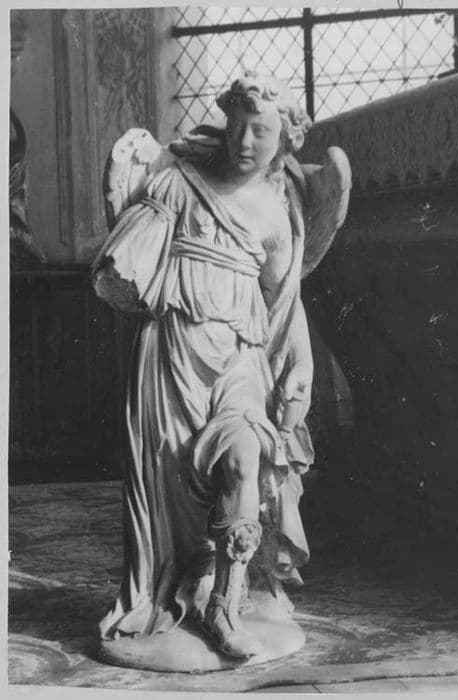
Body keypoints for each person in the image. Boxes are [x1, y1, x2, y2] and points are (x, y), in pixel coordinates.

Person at [92, 73, 351, 660]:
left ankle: (225, 608)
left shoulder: (278, 213)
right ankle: (175, 590)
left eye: (260, 131)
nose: (244, 141)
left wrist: (300, 371)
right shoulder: (178, 182)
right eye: (237, 126)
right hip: (171, 360)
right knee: (172, 498)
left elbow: (284, 304)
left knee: (244, 458)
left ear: (284, 138)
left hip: (240, 361)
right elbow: (122, 269)